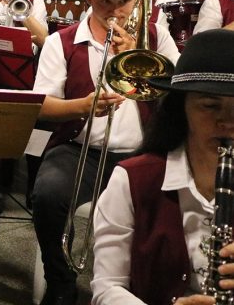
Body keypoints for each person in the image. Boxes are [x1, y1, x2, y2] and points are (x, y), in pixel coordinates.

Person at [31, 0, 181, 305]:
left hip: (143, 154)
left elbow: (178, 99)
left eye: (125, 2)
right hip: (79, 149)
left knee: (173, 203)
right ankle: (60, 279)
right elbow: (40, 106)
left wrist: (140, 56)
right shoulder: (61, 42)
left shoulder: (156, 37)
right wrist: (81, 106)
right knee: (47, 195)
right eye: (105, 2)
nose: (116, 11)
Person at [91, 29, 234, 304]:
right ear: (182, 108)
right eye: (210, 106)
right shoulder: (133, 179)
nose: (227, 122)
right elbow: (107, 288)